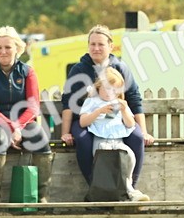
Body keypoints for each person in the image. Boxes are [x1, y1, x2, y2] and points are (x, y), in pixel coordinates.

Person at [59, 24, 156, 197]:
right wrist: (65, 133)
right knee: (83, 140)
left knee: (136, 138)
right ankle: (96, 187)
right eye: (92, 44)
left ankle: (128, 188)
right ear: (88, 46)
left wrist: (145, 132)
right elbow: (68, 103)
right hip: (85, 119)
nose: (96, 48)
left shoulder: (121, 68)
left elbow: (134, 99)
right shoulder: (79, 70)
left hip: (116, 120)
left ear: (110, 46)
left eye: (101, 44)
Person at [0, 26, 53, 202]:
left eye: (8, 47)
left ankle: (42, 199)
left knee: (41, 139)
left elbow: (33, 107)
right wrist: (11, 128)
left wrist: (17, 126)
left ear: (17, 48)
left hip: (22, 122)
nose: (3, 51)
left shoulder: (28, 72)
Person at [79, 68, 149, 201]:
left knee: (129, 157)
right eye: (106, 89)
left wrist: (124, 110)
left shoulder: (120, 103)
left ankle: (129, 188)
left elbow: (130, 124)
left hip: (118, 140)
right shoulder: (91, 102)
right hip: (101, 141)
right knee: (107, 159)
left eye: (113, 90)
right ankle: (126, 192)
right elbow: (83, 122)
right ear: (98, 87)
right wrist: (99, 111)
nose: (109, 93)